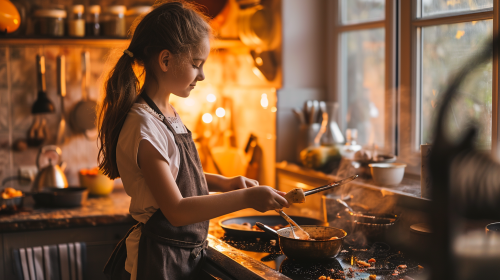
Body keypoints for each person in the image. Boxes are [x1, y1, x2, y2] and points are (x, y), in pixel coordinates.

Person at [97, 1, 290, 279]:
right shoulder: (144, 127)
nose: (202, 75)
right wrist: (246, 197)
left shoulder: (166, 113)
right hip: (161, 260)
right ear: (165, 60)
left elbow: (176, 173)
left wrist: (226, 183)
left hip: (182, 253)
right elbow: (175, 210)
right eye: (196, 64)